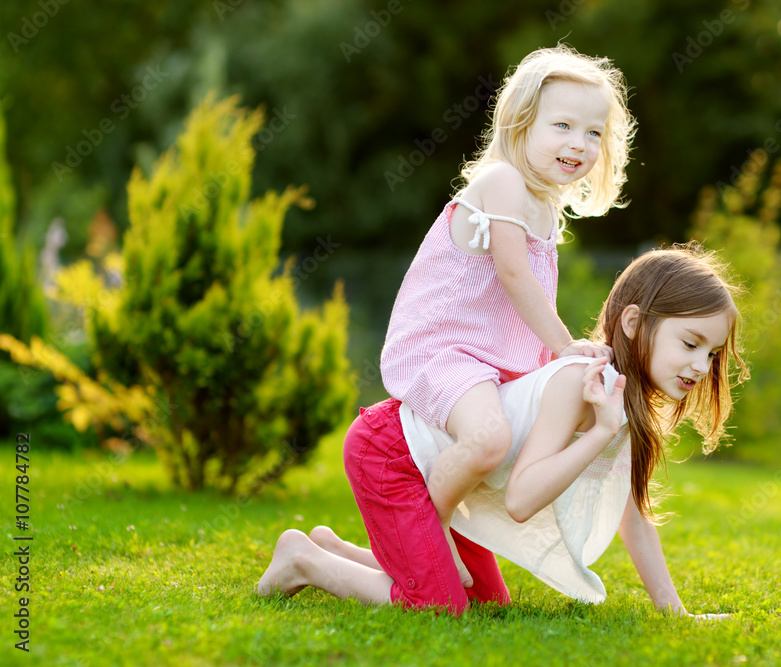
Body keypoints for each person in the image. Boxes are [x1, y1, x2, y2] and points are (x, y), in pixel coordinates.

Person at [257, 245, 750, 618]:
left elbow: (633, 517)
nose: (700, 365)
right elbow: (520, 499)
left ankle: (335, 549)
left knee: (486, 600)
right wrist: (598, 435)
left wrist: (675, 612)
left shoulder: (622, 403)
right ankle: (304, 560)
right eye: (690, 342)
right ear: (633, 322)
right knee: (438, 605)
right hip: (395, 454)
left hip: (453, 480)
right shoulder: (579, 385)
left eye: (710, 354)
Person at [378, 45, 637, 585]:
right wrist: (565, 345)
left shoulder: (545, 207)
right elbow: (515, 278)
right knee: (490, 439)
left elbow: (521, 304)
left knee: (504, 446)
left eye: (593, 132)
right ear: (521, 124)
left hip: (484, 363)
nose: (578, 143)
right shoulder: (503, 183)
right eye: (562, 125)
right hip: (442, 350)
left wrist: (555, 374)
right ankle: (433, 530)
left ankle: (330, 550)